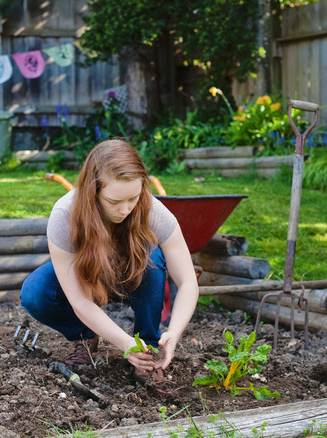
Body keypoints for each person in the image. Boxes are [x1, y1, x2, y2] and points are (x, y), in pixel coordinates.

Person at [20, 139, 199, 380]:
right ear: (92, 192)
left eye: (133, 198)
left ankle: (148, 350)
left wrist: (175, 333)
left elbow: (188, 281)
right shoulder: (65, 215)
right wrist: (125, 344)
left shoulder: (153, 211)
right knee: (35, 291)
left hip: (134, 277)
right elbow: (80, 301)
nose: (125, 210)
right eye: (114, 202)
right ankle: (84, 336)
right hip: (90, 278)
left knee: (151, 258)